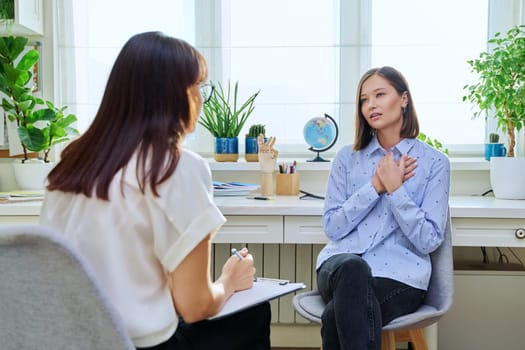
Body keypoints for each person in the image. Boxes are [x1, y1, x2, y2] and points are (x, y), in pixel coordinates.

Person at [39, 31, 271, 350]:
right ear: (179, 96)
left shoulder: (70, 166)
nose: (202, 100)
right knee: (253, 308)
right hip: (140, 344)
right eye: (198, 88)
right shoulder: (176, 167)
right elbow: (194, 306)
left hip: (65, 342)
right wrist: (231, 279)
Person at [316, 66, 450, 350]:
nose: (371, 105)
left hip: (400, 276)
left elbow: (429, 241)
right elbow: (333, 226)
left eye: (379, 95)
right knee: (353, 267)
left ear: (403, 99)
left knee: (334, 317)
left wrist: (396, 190)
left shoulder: (434, 163)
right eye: (364, 99)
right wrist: (375, 186)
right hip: (340, 266)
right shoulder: (346, 159)